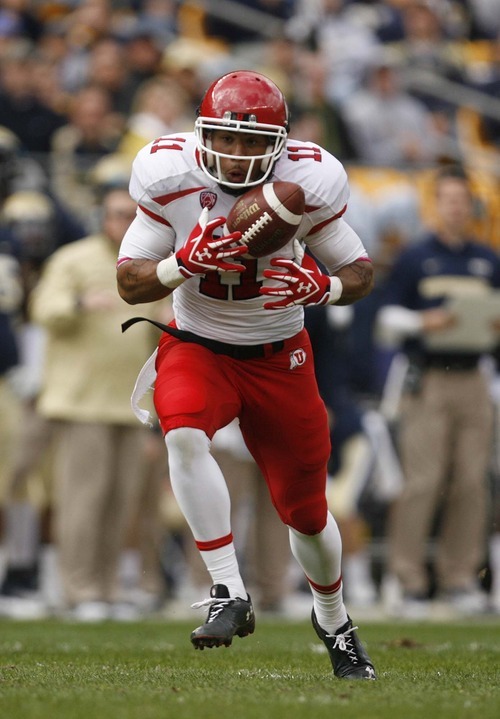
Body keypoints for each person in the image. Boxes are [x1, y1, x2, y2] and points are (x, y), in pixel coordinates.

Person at [116, 70, 376, 680]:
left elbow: (361, 270)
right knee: (181, 432)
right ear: (202, 134)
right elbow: (129, 281)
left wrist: (326, 286)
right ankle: (229, 590)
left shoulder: (308, 180)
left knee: (307, 513)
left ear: (281, 144)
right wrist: (182, 264)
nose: (234, 156)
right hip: (198, 344)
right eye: (224, 140)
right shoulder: (168, 172)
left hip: (280, 354)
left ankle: (333, 618)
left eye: (249, 143)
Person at [30, 187, 165, 621]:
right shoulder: (74, 259)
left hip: (130, 403)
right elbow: (43, 309)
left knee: (120, 502)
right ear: (101, 217)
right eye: (116, 214)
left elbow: (163, 327)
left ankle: (107, 589)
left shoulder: (146, 265)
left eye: (132, 215)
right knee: (82, 501)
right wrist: (78, 303)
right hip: (81, 402)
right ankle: (78, 589)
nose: (124, 222)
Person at [376, 164, 500, 618]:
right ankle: (406, 579)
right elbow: (385, 320)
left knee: (472, 482)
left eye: (462, 200)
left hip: (474, 376)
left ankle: (460, 578)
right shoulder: (414, 257)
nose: (455, 207)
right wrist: (422, 321)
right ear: (436, 203)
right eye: (448, 199)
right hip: (428, 376)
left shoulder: (487, 259)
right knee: (423, 481)